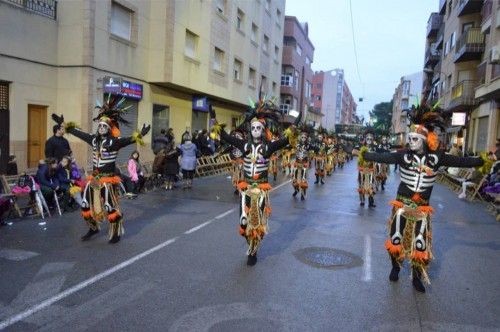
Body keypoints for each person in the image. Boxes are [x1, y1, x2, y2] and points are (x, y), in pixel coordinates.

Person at [362, 102, 484, 292]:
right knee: (395, 239)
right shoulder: (403, 155)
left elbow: (462, 161)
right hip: (402, 205)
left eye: (415, 138)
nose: (411, 141)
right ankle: (395, 267)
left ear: (426, 140)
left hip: (422, 208)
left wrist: (482, 161)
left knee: (420, 244)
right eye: (410, 138)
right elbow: (383, 157)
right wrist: (365, 154)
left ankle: (416, 276)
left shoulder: (437, 157)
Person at [51, 95, 150, 244]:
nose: (102, 128)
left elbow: (129, 139)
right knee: (85, 205)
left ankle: (115, 232)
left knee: (110, 206)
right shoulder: (94, 139)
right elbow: (79, 132)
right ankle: (93, 228)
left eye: (105, 126)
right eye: (100, 126)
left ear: (109, 128)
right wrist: (64, 124)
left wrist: (140, 134)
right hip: (95, 179)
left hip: (108, 180)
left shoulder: (115, 142)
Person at [210, 100, 296, 266]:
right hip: (246, 188)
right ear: (250, 129)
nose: (256, 130)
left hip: (261, 190)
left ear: (263, 130)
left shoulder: (269, 147)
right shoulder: (244, 144)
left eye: (259, 128)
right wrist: (214, 120)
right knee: (243, 221)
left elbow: (285, 141)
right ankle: (248, 239)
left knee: (257, 223)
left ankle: (253, 251)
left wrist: (294, 128)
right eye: (253, 128)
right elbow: (225, 137)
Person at [292, 126, 312, 200]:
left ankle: (303, 194)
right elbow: (292, 145)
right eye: (302, 137)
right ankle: (296, 190)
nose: (303, 138)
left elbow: (314, 149)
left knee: (303, 179)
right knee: (294, 178)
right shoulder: (297, 144)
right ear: (300, 137)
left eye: (304, 137)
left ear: (306, 138)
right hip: (297, 163)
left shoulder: (308, 145)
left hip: (304, 164)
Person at [357, 133, 377, 208]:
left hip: (371, 169)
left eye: (371, 139)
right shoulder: (360, 146)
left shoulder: (375, 148)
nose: (369, 140)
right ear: (365, 139)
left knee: (371, 184)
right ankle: (362, 200)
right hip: (362, 169)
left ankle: (371, 201)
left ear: (373, 140)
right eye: (367, 139)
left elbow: (378, 155)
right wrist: (361, 154)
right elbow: (353, 152)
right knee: (361, 183)